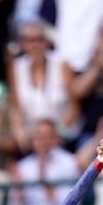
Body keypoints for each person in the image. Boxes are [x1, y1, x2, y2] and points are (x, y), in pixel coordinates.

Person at [10, 20, 71, 150]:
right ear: (23, 43)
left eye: (39, 40)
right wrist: (19, 131)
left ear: (47, 42)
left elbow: (75, 106)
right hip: (31, 138)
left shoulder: (61, 63)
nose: (35, 45)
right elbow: (16, 107)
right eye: (29, 40)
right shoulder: (16, 67)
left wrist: (57, 134)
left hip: (61, 136)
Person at [11, 118, 79, 205]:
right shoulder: (23, 166)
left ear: (56, 139)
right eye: (39, 137)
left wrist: (48, 187)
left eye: (48, 137)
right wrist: (19, 192)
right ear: (33, 140)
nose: (43, 141)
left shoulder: (69, 162)